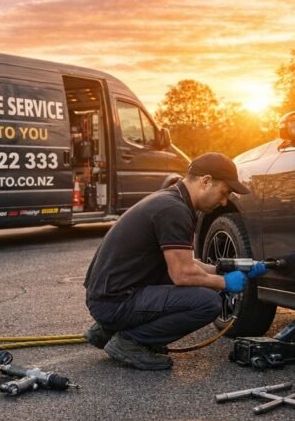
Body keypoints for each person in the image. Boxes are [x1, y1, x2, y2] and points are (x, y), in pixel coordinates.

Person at [83, 152, 266, 370]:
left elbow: (185, 261)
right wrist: (225, 284)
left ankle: (107, 331)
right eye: (224, 192)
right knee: (208, 303)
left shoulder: (171, 200)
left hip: (109, 295)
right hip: (114, 302)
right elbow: (182, 274)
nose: (225, 201)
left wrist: (222, 270)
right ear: (206, 181)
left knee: (191, 284)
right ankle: (130, 342)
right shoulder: (174, 210)